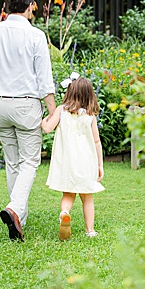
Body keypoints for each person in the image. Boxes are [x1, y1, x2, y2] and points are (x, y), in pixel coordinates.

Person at [0, 0, 57, 242]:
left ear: (7, 7)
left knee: (12, 162)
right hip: (25, 106)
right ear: (30, 6)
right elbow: (44, 80)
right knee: (30, 162)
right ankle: (14, 209)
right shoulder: (35, 36)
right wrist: (53, 111)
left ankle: (18, 218)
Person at [44, 74, 105, 241]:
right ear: (89, 95)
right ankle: (90, 230)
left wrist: (44, 120)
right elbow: (97, 141)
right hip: (86, 162)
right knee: (87, 197)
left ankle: (65, 213)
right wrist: (100, 165)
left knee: (68, 194)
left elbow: (48, 128)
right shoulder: (90, 116)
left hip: (67, 163)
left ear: (69, 92)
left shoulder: (61, 111)